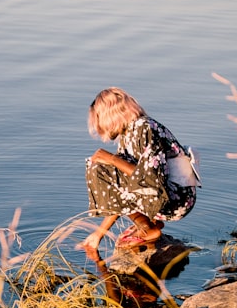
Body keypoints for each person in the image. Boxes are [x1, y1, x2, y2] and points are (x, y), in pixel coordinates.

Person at [79, 87, 197, 262]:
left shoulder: (143, 128)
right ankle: (148, 223)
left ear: (110, 114)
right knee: (102, 166)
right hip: (166, 195)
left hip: (177, 199)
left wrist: (112, 159)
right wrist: (98, 234)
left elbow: (151, 179)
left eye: (99, 119)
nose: (99, 126)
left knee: (99, 169)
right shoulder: (129, 133)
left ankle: (148, 228)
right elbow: (119, 190)